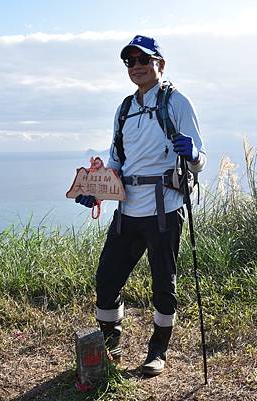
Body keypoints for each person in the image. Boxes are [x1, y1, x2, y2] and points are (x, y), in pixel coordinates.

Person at [75, 35, 206, 376]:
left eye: (143, 60)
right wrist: (97, 190)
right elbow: (116, 160)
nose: (136, 67)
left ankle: (157, 352)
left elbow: (199, 160)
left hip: (165, 209)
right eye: (130, 62)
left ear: (159, 64)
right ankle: (110, 347)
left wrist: (192, 154)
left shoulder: (176, 102)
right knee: (106, 280)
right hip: (127, 211)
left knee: (164, 285)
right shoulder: (124, 108)